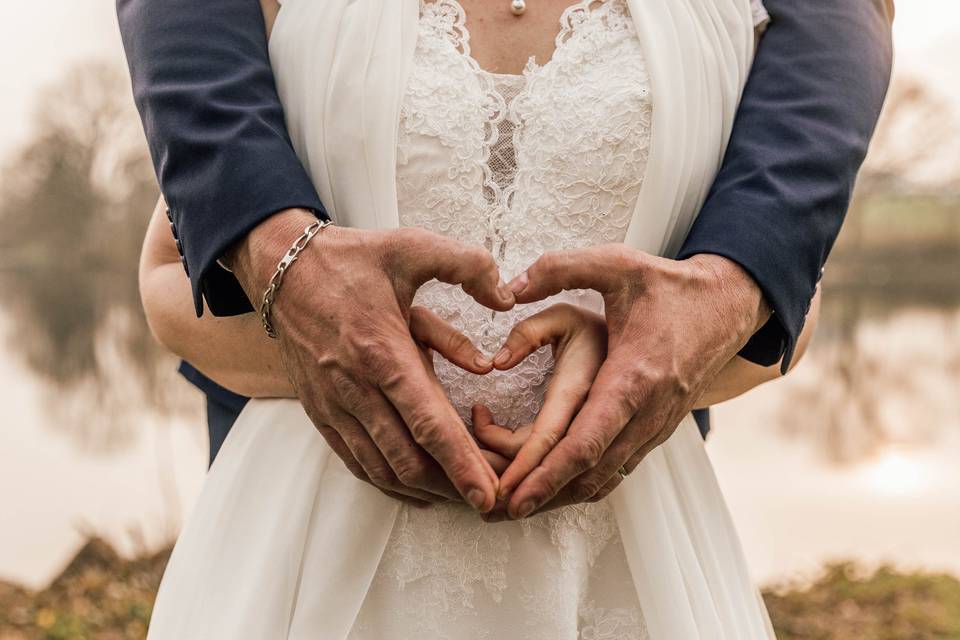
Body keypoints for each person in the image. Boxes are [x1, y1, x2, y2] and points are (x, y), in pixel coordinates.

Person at [119, 0, 893, 637]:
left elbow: (787, 303)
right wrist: (321, 332)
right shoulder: (301, 21)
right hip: (309, 548)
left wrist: (655, 343)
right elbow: (166, 274)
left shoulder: (724, 24)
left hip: (622, 558)